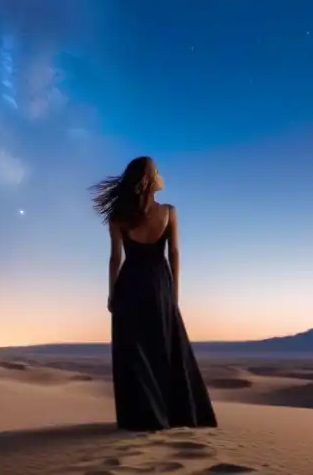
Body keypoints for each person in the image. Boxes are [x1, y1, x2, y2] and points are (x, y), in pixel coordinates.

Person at [91, 156, 218, 431]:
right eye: (158, 171)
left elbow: (115, 259)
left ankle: (141, 418)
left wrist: (111, 294)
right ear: (148, 180)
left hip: (129, 286)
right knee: (164, 349)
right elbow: (174, 254)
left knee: (135, 354)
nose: (162, 176)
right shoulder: (170, 212)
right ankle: (178, 414)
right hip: (160, 284)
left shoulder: (118, 218)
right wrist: (174, 294)